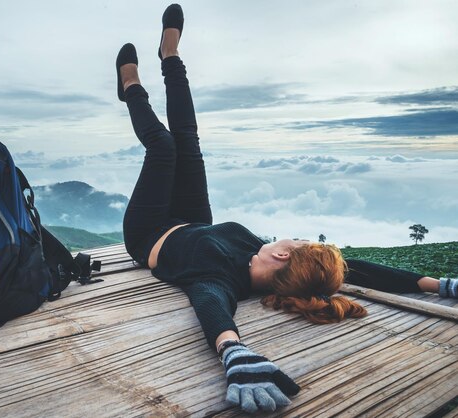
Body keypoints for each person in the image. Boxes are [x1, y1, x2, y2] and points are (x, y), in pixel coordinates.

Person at [117, 4, 458, 414]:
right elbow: (361, 269)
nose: (289, 236)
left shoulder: (220, 279)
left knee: (165, 145)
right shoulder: (265, 258)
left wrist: (234, 353)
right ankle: (170, 56)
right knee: (188, 139)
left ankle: (131, 85)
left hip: (150, 230)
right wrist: (438, 285)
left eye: (295, 241)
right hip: (193, 216)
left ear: (283, 255)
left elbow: (210, 306)